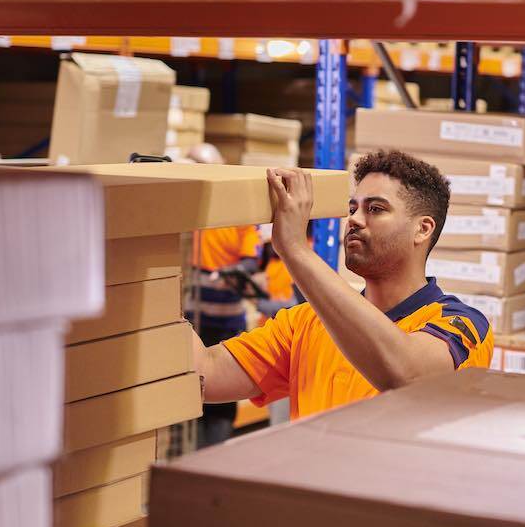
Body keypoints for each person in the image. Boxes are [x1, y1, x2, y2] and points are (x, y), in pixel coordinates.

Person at [191, 150, 493, 420]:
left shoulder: (461, 323)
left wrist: (295, 250)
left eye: (375, 209)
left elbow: (407, 374)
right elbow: (204, 375)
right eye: (352, 208)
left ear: (422, 229)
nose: (355, 220)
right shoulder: (305, 323)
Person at [184, 143, 263, 447]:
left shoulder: (238, 214)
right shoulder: (189, 212)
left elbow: (249, 259)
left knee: (221, 393)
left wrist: (227, 272)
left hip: (225, 318)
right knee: (192, 385)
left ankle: (212, 453)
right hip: (193, 315)